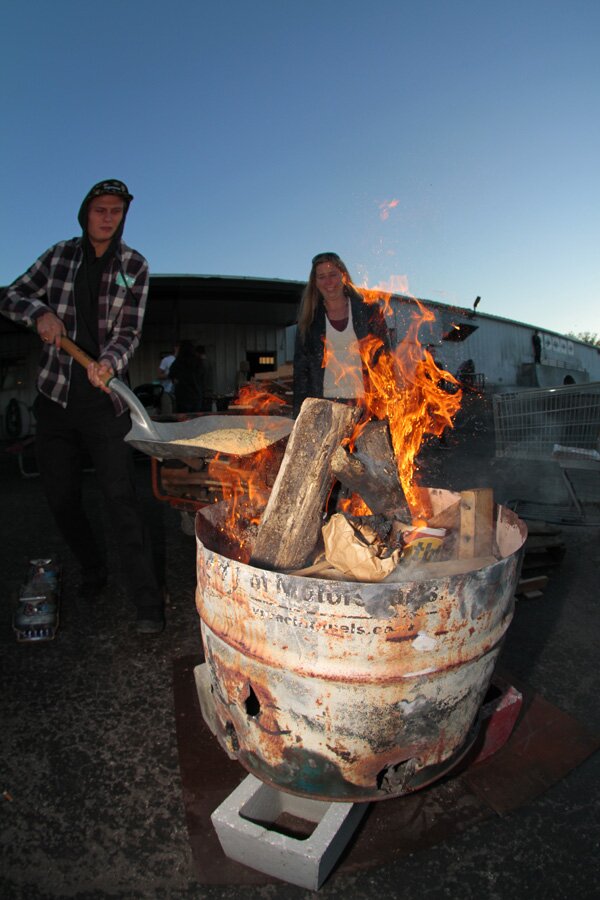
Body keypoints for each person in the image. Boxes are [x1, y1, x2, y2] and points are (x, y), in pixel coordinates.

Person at [0, 179, 165, 635]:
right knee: (61, 498)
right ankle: (93, 568)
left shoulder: (134, 266)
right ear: (85, 213)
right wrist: (39, 313)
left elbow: (129, 331)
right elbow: (10, 295)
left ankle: (148, 602)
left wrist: (109, 362)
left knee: (122, 501)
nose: (108, 217)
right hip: (55, 399)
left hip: (104, 403)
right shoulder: (59, 257)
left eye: (116, 210)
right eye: (100, 209)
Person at [293, 251, 391, 416]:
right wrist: (299, 414)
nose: (328, 282)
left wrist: (386, 403)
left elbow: (385, 358)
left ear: (343, 276)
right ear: (315, 282)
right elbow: (301, 371)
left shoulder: (369, 311)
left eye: (333, 274)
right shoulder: (308, 320)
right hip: (325, 406)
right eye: (322, 277)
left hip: (365, 405)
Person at [169, 339, 204, 413]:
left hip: (182, 395)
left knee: (183, 417)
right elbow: (202, 375)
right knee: (195, 417)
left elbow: (171, 375)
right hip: (196, 394)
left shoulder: (178, 361)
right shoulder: (198, 361)